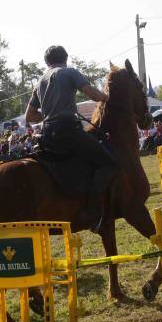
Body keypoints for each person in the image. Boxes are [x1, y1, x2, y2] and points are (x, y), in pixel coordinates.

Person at [25, 45, 114, 232]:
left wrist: (49, 116)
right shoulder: (69, 72)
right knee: (108, 162)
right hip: (68, 131)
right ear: (66, 59)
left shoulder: (40, 81)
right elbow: (94, 95)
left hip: (47, 134)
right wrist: (109, 97)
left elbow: (30, 116)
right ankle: (94, 214)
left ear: (47, 62)